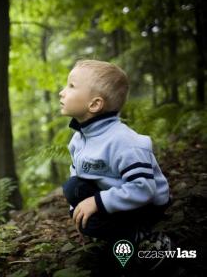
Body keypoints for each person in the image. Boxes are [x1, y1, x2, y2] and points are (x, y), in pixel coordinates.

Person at [59, 59, 171, 269]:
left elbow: (144, 189)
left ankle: (143, 238)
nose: (62, 92)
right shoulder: (79, 139)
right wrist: (77, 208)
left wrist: (96, 203)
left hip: (147, 204)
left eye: (71, 86)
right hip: (113, 193)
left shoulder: (124, 142)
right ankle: (116, 231)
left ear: (94, 104)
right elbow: (77, 174)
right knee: (72, 188)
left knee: (93, 221)